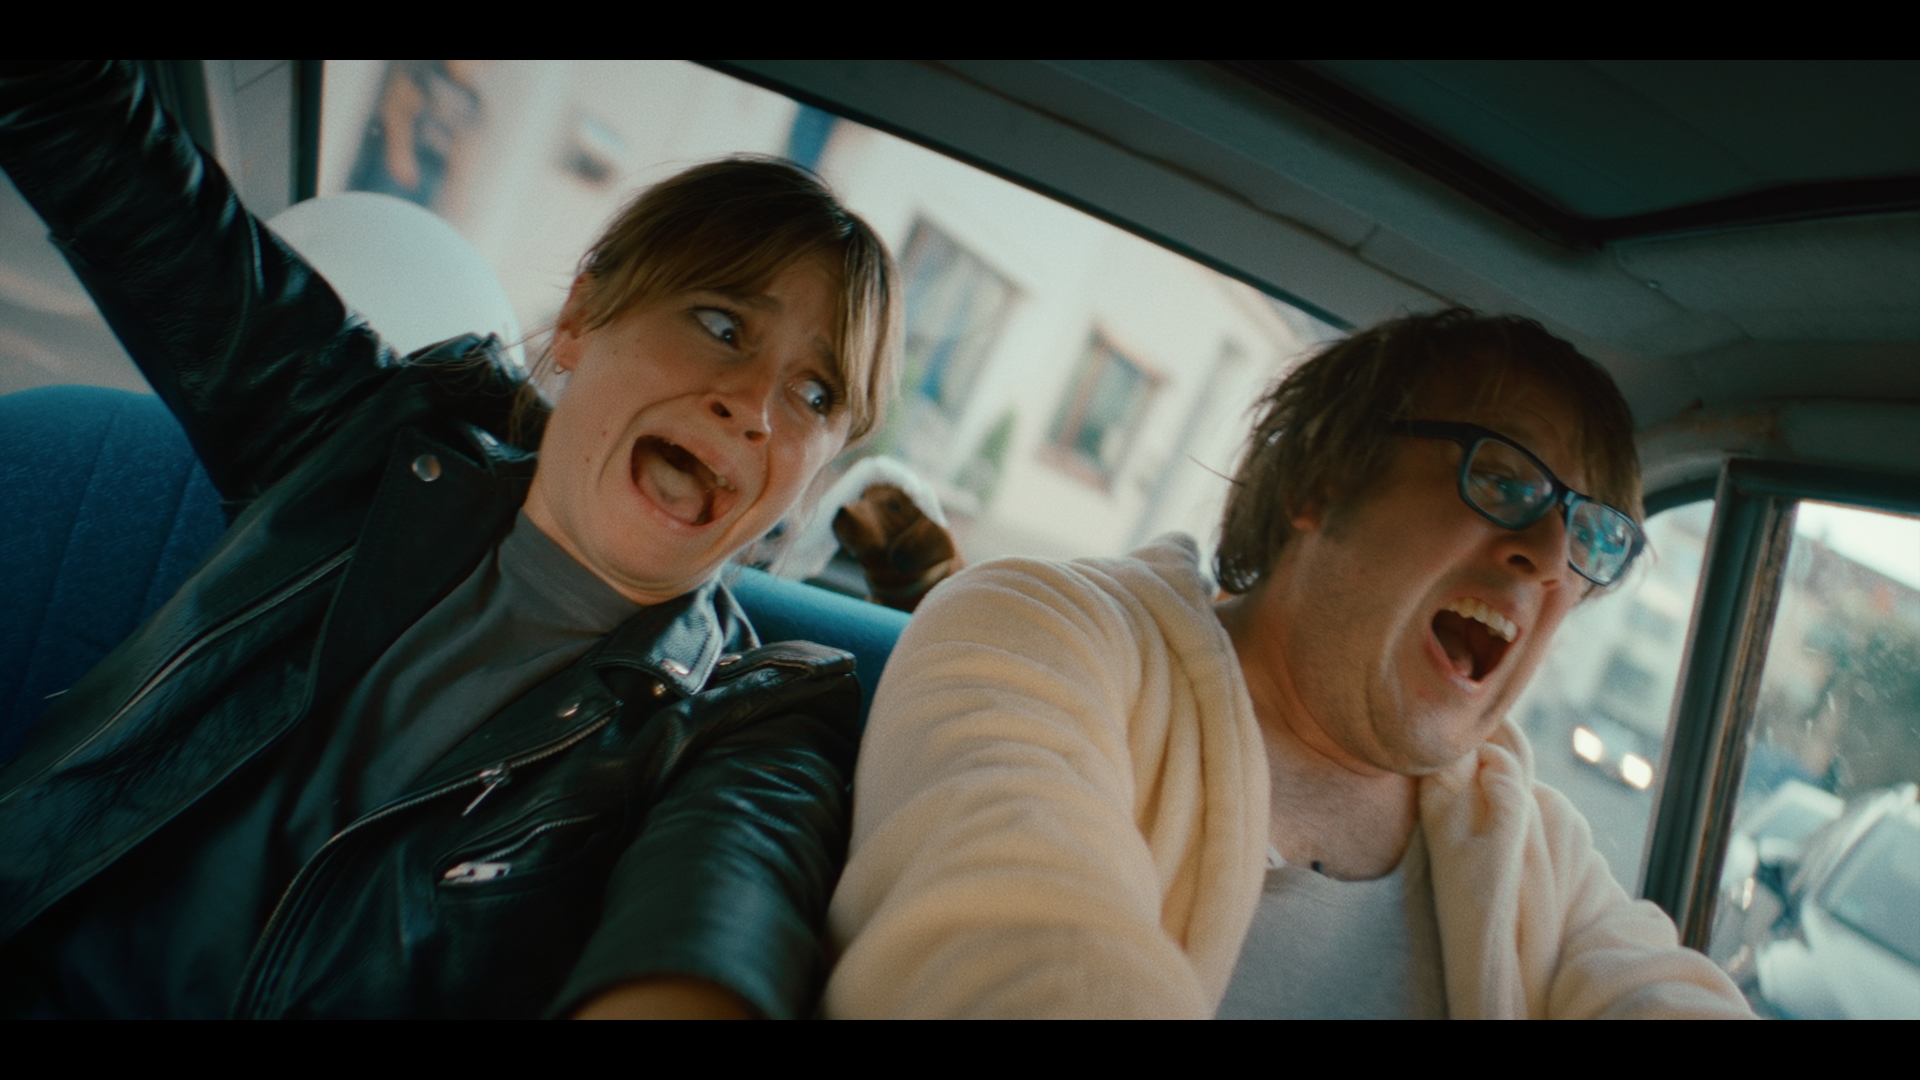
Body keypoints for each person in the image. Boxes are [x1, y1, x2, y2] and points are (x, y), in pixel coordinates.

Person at [0, 61, 897, 1019]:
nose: (756, 409)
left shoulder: (754, 724)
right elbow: (90, 139)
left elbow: (718, 920)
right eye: (722, 324)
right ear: (583, 317)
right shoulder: (361, 439)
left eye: (816, 393)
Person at [824, 309, 1755, 1019]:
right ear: (1322, 479)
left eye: (1594, 535)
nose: (1552, 559)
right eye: (1503, 480)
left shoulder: (1539, 852)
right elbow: (1011, 943)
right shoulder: (1041, 634)